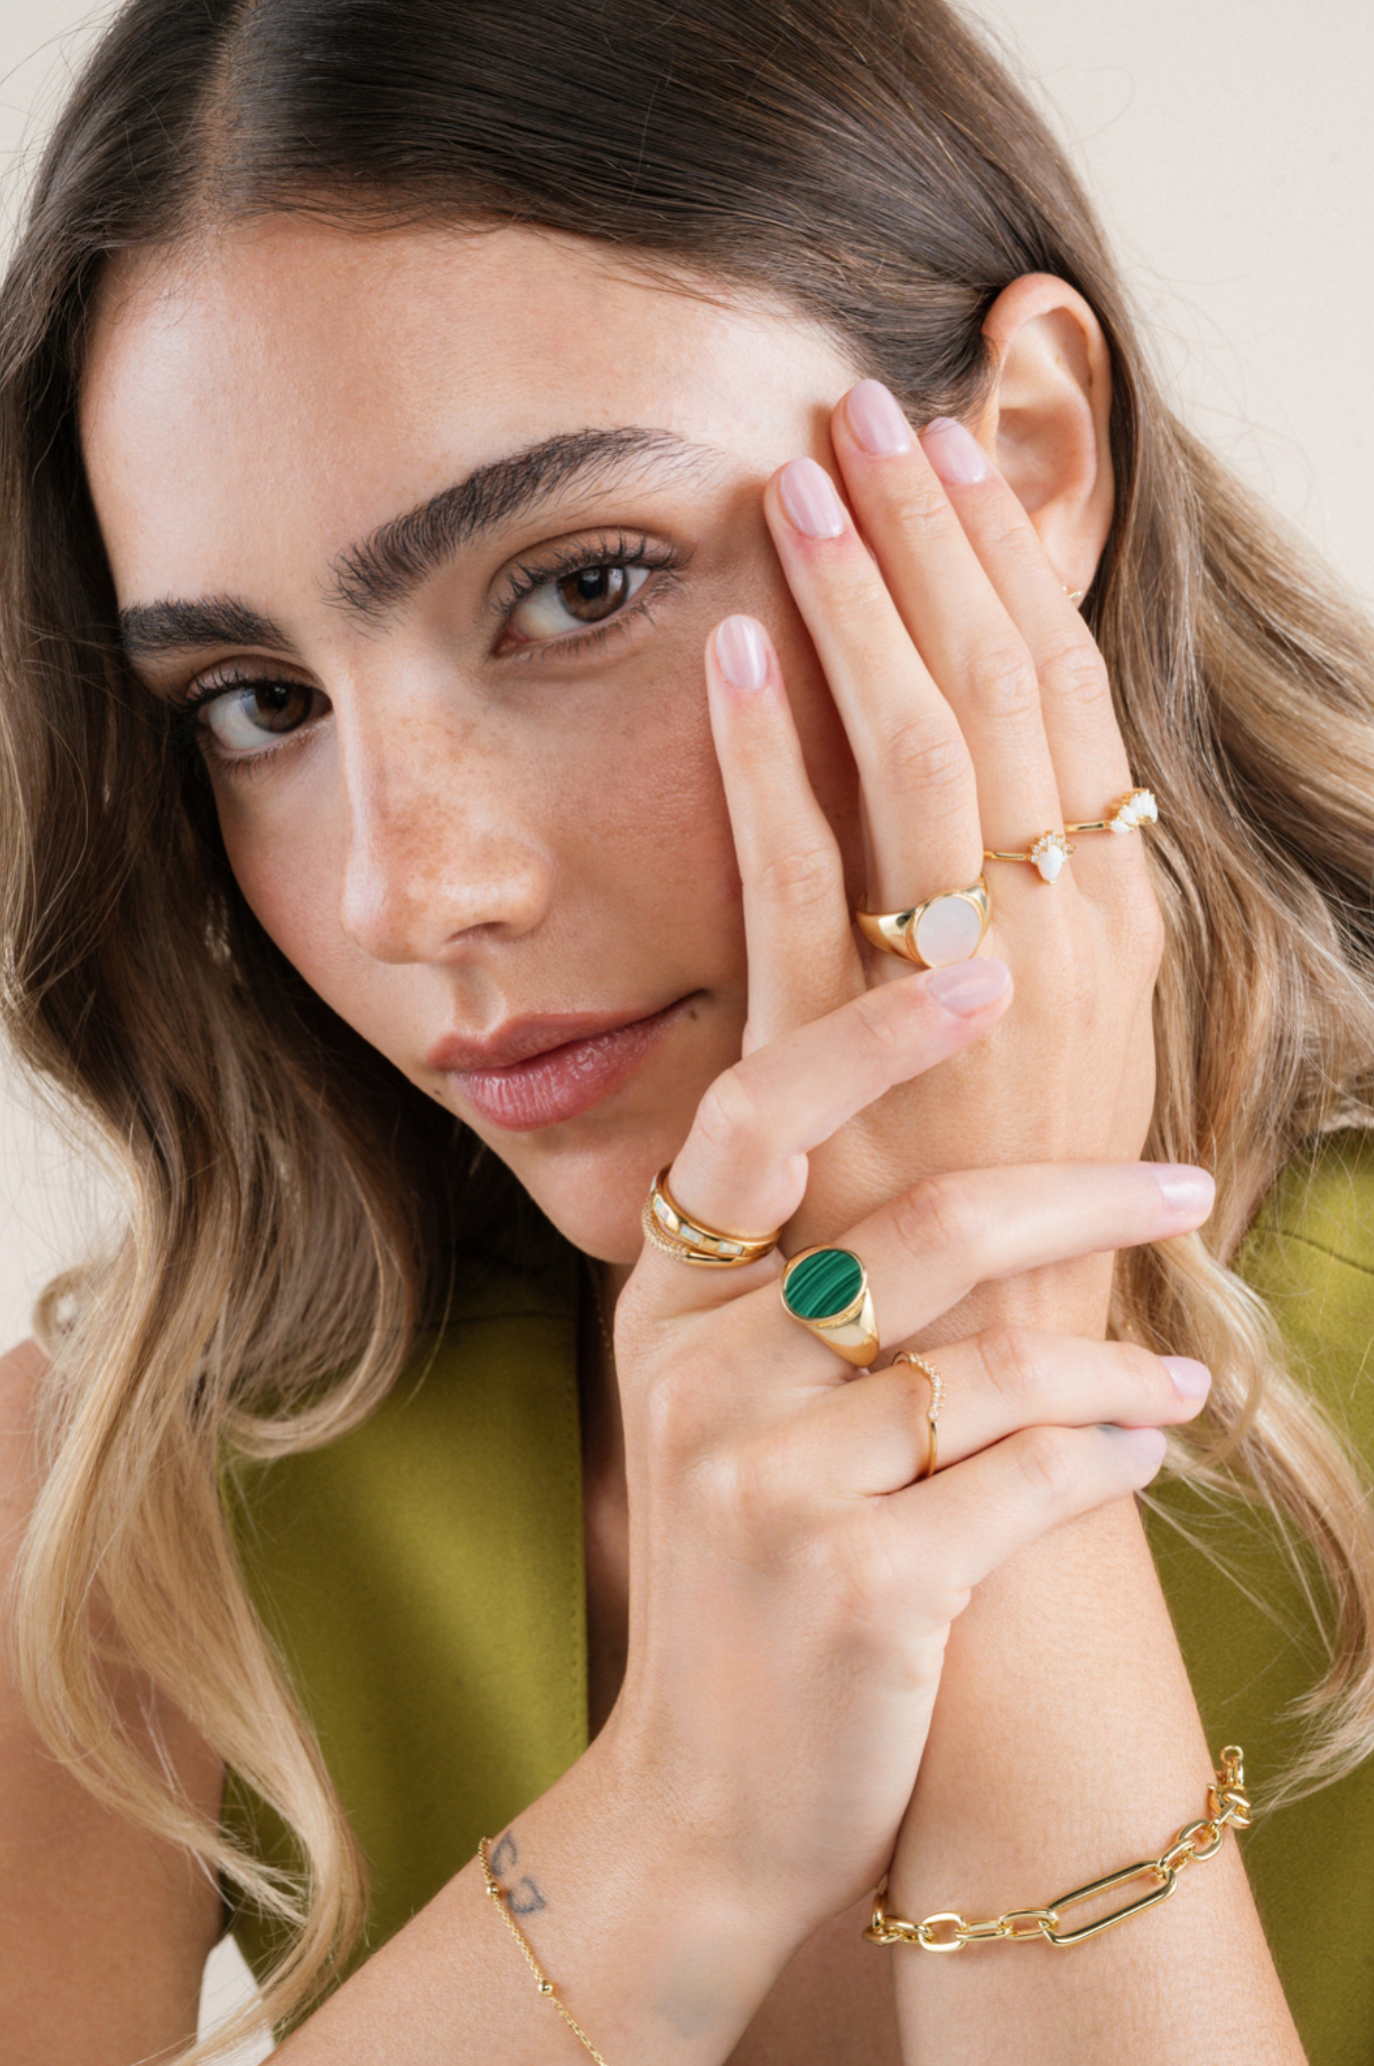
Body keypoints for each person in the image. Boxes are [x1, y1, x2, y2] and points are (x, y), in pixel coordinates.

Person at [1, 0, 1371, 2060]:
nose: (405, 892)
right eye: (259, 703)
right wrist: (683, 1821)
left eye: (581, 587)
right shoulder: (125, 1514)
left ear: (1023, 463)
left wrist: (995, 1438)